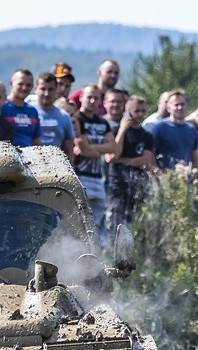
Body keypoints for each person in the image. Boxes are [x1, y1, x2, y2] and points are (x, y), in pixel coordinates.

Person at [74, 84, 121, 237]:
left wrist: (91, 148)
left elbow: (113, 147)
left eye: (96, 98)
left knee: (97, 224)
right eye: (89, 97)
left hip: (98, 178)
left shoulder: (102, 123)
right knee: (80, 222)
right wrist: (101, 147)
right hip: (80, 175)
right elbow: (84, 151)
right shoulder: (76, 120)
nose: (93, 101)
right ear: (81, 98)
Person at [105, 96, 156, 232]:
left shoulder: (146, 135)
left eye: (142, 111)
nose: (140, 114)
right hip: (118, 184)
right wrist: (122, 130)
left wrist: (124, 161)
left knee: (134, 224)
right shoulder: (115, 131)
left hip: (137, 185)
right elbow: (112, 156)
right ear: (128, 112)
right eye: (136, 111)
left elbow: (146, 160)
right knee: (115, 222)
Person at [149, 89, 198, 171]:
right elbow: (150, 154)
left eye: (182, 104)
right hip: (165, 177)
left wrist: (194, 175)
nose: (180, 107)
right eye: (176, 105)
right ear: (168, 108)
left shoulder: (192, 130)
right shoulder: (160, 128)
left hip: (184, 178)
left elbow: (195, 158)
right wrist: (157, 173)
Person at [30, 72, 75, 163]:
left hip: (54, 168)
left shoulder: (64, 117)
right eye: (43, 89)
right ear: (36, 89)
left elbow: (69, 149)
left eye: (50, 89)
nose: (46, 93)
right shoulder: (28, 112)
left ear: (56, 90)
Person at [2, 70, 42, 148]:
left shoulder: (33, 111)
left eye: (28, 85)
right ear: (11, 84)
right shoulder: (1, 107)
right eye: (20, 84)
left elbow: (36, 141)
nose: (24, 88)